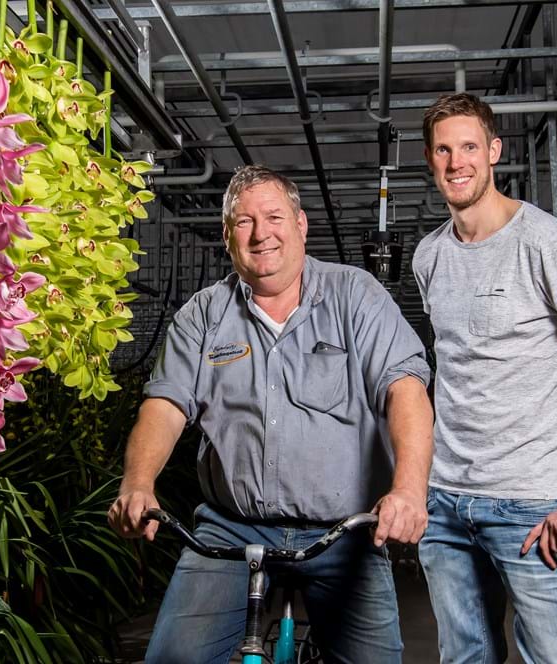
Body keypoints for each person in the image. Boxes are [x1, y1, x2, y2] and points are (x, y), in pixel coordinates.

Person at [108, 165, 434, 664]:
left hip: (342, 531)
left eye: (274, 216)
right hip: (231, 528)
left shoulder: (355, 296)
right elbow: (166, 405)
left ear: (301, 224)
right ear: (227, 236)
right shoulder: (203, 314)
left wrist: (409, 491)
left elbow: (405, 390)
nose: (261, 234)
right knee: (173, 658)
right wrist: (138, 482)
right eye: (244, 222)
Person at [412, 93, 557, 663]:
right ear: (430, 159)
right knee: (465, 657)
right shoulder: (429, 257)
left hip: (531, 506)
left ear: (494, 152)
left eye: (469, 147)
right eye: (443, 149)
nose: (456, 161)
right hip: (445, 505)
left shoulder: (545, 243)